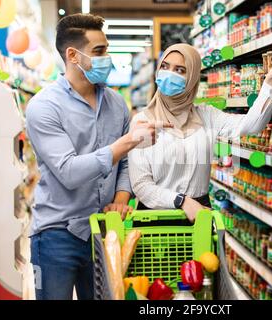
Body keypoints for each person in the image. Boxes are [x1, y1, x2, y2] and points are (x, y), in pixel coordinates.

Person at [26, 14, 170, 300]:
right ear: (72, 55)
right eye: (99, 51)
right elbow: (68, 171)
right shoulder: (43, 107)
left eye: (107, 49)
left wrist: (120, 199)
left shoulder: (116, 102)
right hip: (58, 234)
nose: (108, 57)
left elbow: (127, 161)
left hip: (106, 231)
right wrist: (127, 141)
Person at [128, 44, 272, 222]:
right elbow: (141, 185)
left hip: (199, 216)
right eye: (165, 66)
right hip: (155, 219)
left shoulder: (207, 116)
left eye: (180, 70)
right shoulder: (142, 121)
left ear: (192, 79)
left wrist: (269, 83)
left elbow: (251, 125)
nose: (169, 74)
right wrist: (181, 201)